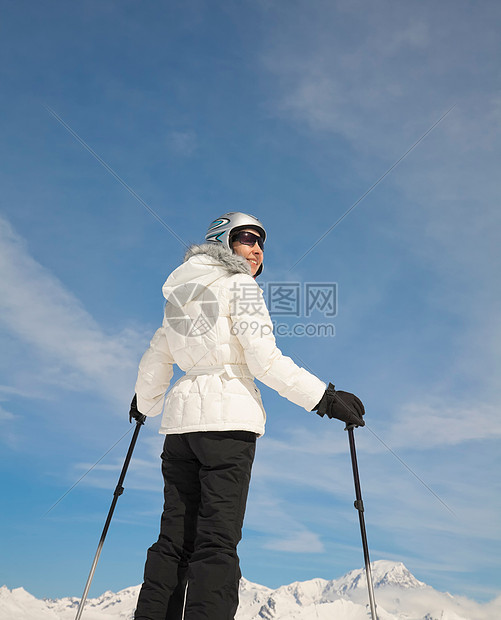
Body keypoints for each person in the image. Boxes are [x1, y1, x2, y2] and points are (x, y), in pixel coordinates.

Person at [130, 212, 365, 620]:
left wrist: (144, 403)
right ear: (223, 243)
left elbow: (156, 358)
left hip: (181, 429)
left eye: (260, 243)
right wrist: (325, 399)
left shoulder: (180, 297)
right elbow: (264, 359)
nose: (256, 249)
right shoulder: (240, 286)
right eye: (245, 239)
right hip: (227, 424)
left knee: (173, 541)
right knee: (216, 543)